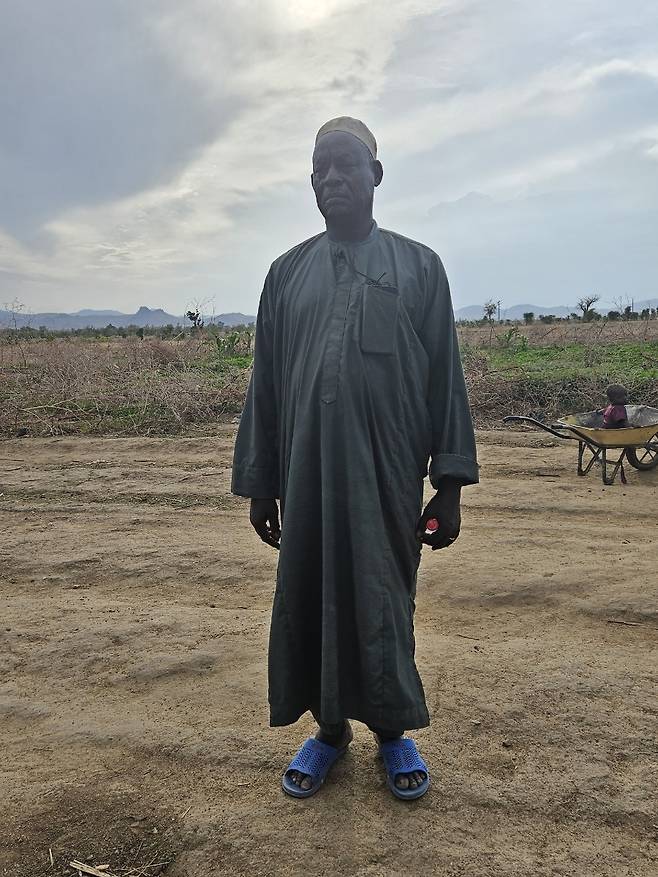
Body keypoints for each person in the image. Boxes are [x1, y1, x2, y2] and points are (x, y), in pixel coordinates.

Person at [231, 116, 479, 801]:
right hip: (306, 477)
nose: (332, 178)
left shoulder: (420, 267)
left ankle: (393, 729)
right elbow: (269, 385)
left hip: (388, 479)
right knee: (309, 594)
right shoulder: (286, 275)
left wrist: (449, 483)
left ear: (376, 173)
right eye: (320, 170)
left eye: (346, 165)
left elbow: (444, 382)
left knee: (383, 599)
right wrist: (260, 484)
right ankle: (329, 729)